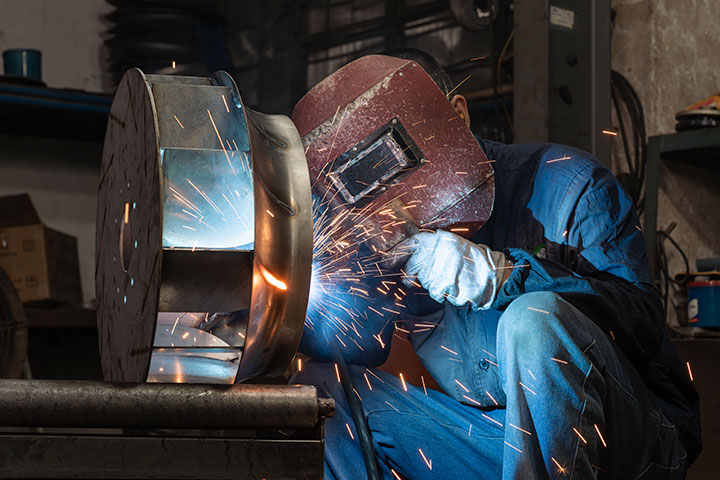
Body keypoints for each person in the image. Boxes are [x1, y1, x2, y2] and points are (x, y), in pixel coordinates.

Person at [293, 49, 700, 479]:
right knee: (321, 396)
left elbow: (644, 323)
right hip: (499, 440)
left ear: (457, 116)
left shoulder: (569, 184)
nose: (393, 193)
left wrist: (505, 277)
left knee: (534, 319)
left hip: (627, 439)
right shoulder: (385, 230)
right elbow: (357, 348)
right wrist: (273, 310)